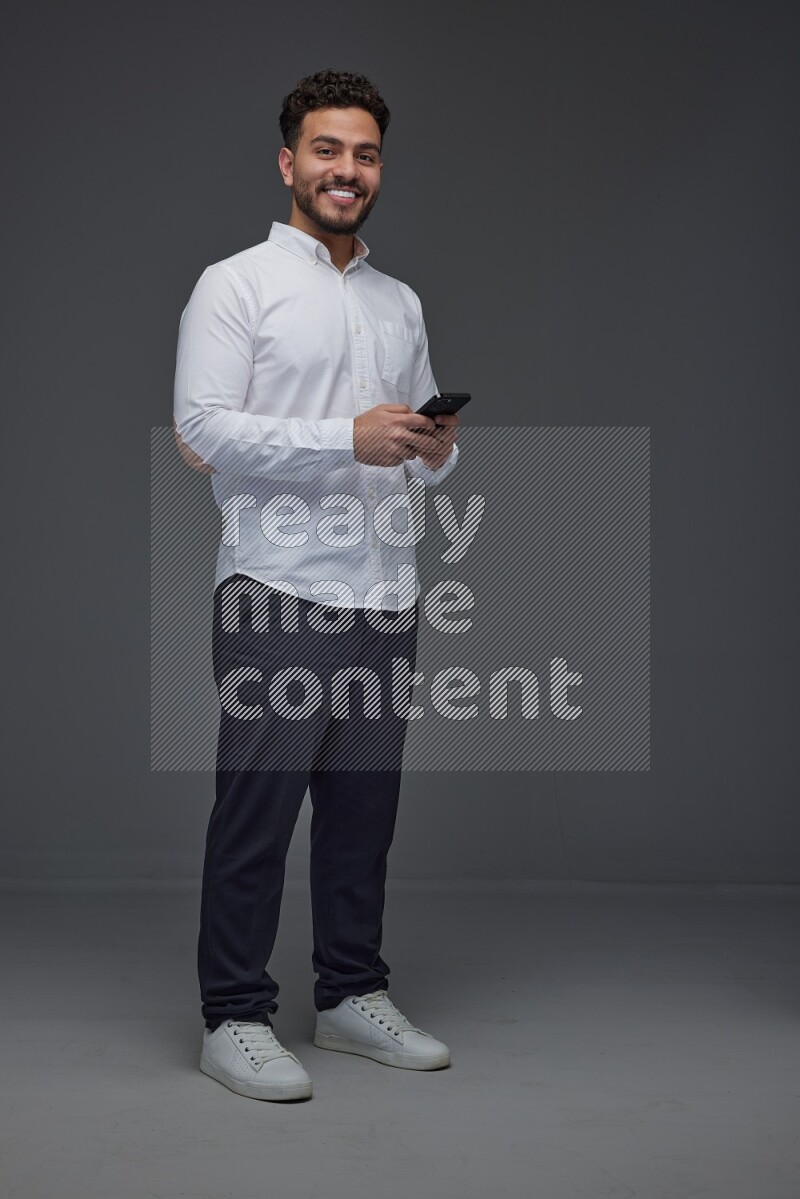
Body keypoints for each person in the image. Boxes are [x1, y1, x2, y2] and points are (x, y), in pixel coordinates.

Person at [173, 69, 460, 1102]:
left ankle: (347, 995)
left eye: (366, 153)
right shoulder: (235, 283)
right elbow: (201, 427)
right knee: (257, 807)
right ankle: (232, 1014)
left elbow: (424, 456)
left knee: (361, 812)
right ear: (288, 161)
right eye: (329, 150)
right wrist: (344, 434)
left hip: (384, 590)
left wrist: (430, 445)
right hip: (277, 587)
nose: (348, 170)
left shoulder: (397, 300)